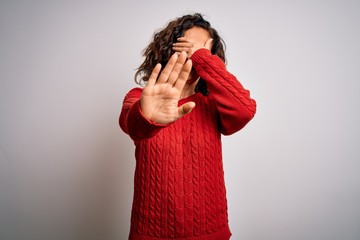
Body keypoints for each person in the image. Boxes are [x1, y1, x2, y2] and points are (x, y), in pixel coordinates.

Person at [119, 13, 256, 240]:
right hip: (150, 233)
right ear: (169, 52)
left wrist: (202, 57)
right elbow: (133, 125)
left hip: (211, 232)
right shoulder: (139, 98)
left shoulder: (213, 105)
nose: (193, 57)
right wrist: (147, 115)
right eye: (186, 48)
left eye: (201, 50)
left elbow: (244, 110)